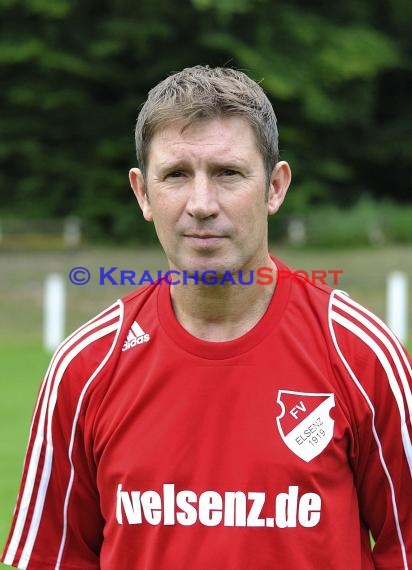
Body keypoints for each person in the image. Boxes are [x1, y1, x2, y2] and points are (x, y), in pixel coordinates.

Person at [2, 65, 411, 570]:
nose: (200, 204)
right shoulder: (85, 368)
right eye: (176, 175)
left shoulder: (362, 356)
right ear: (143, 193)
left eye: (228, 173)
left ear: (275, 187)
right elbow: (52, 558)